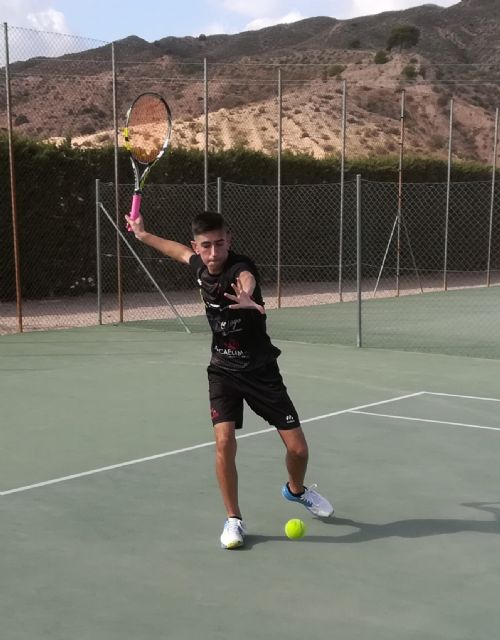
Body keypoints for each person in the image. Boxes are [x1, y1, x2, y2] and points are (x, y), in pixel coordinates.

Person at [125, 210, 334, 549]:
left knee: (298, 450)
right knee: (224, 442)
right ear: (198, 246)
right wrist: (142, 234)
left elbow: (246, 277)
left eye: (220, 244)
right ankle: (234, 519)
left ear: (229, 240)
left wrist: (248, 296)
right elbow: (176, 251)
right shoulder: (199, 265)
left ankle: (296, 490)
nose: (214, 252)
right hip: (223, 371)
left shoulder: (239, 268)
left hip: (262, 371)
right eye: (206, 246)